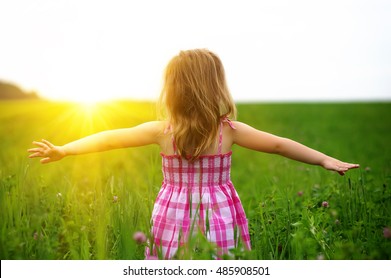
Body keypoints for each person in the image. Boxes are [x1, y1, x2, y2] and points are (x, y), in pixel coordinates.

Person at [28, 49, 359, 259]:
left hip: (172, 210)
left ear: (172, 89)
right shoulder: (229, 130)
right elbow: (280, 144)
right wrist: (324, 159)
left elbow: (111, 139)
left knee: (172, 260)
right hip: (220, 209)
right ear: (214, 86)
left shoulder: (162, 130)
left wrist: (65, 150)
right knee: (221, 260)